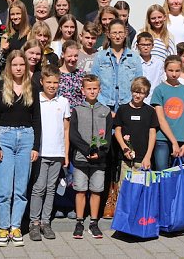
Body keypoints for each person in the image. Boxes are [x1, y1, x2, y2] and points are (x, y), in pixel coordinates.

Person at [0, 50, 41, 247]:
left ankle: (15, 226)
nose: (18, 68)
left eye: (21, 65)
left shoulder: (32, 88)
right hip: (5, 137)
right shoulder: (1, 86)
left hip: (26, 137)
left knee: (20, 188)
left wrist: (35, 146)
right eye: (15, 65)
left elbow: (36, 118)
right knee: (4, 189)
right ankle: (3, 227)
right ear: (9, 67)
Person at [27, 64, 70, 242]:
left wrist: (65, 154)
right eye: (49, 82)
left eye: (56, 82)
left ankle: (46, 222)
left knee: (51, 188)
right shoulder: (36, 99)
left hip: (57, 152)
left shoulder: (63, 101)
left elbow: (66, 130)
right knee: (39, 187)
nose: (52, 85)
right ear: (42, 81)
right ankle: (34, 222)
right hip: (41, 152)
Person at [69, 74, 112, 239]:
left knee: (96, 190)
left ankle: (94, 222)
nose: (92, 91)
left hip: (99, 159)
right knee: (80, 190)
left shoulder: (106, 111)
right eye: (89, 88)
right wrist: (87, 150)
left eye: (95, 88)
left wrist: (100, 152)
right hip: (81, 157)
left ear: (99, 90)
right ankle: (79, 221)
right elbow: (73, 135)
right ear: (83, 90)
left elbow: (108, 135)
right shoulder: (77, 110)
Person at [150, 55, 184, 170]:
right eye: (170, 70)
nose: (174, 74)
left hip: (181, 139)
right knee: (162, 173)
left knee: (177, 175)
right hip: (163, 139)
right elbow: (160, 119)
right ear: (165, 70)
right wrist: (173, 142)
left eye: (177, 70)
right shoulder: (159, 90)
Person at [113, 77, 159, 180]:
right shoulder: (123, 109)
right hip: (126, 158)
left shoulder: (150, 111)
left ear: (146, 95)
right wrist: (124, 148)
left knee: (141, 188)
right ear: (131, 91)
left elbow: (152, 134)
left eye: (141, 93)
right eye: (135, 92)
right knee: (124, 188)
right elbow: (117, 130)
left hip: (143, 158)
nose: (137, 95)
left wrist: (148, 156)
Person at [93, 19, 143, 112]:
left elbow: (139, 84)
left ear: (125, 34)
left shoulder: (134, 58)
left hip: (128, 107)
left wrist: (131, 104)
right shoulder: (100, 56)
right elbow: (94, 83)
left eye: (120, 32)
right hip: (104, 106)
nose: (117, 36)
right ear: (108, 34)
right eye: (114, 33)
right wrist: (104, 106)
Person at [136, 32, 164, 104]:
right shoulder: (134, 63)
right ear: (137, 46)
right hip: (138, 100)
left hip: (154, 101)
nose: (145, 48)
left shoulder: (159, 64)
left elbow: (162, 82)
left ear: (152, 46)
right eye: (142, 45)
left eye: (148, 45)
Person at [58, 40, 86, 108]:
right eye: (69, 56)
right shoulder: (56, 74)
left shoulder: (82, 75)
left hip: (77, 114)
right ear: (62, 55)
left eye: (75, 56)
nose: (73, 59)